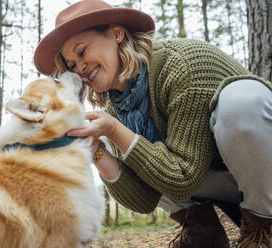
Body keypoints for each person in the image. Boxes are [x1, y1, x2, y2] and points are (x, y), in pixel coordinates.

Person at [33, 0, 272, 247]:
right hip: (227, 182)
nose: (79, 68)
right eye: (71, 65)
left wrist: (116, 131)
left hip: (264, 175)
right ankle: (203, 232)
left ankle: (265, 228)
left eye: (82, 51)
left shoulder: (181, 65)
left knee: (241, 101)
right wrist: (96, 150)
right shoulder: (115, 109)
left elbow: (182, 178)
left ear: (117, 34)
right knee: (115, 141)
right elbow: (144, 200)